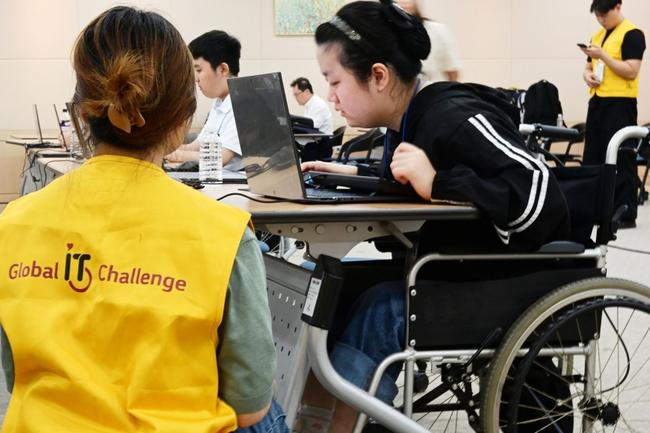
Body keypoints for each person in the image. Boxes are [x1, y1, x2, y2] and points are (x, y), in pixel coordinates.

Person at [0, 7, 287, 433]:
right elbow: (248, 407)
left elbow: (16, 376)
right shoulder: (225, 238)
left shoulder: (13, 225)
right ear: (182, 120)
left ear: (83, 112)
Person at [298, 1, 571, 433]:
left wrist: (439, 182)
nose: (330, 96)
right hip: (449, 268)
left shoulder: (453, 115)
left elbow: (540, 191)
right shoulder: (407, 121)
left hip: (501, 277)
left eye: (334, 81)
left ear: (379, 76)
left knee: (379, 310)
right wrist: (357, 175)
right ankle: (311, 422)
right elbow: (421, 177)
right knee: (330, 286)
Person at [580, 0, 645, 228]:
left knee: (622, 157)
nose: (601, 20)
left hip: (620, 104)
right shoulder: (597, 36)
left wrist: (603, 56)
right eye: (597, 16)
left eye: (604, 15)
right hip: (597, 101)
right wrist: (587, 75)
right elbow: (588, 66)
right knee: (593, 156)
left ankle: (625, 213)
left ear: (618, 6)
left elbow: (631, 71)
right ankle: (593, 210)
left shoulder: (633, 34)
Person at [166, 30, 244, 170]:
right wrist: (165, 150)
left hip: (232, 179)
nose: (195, 78)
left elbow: (220, 158)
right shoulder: (220, 102)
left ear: (222, 69)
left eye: (199, 70)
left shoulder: (242, 104)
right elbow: (197, 145)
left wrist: (177, 155)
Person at [395, 0, 462, 82]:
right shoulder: (386, 34)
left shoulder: (437, 30)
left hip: (433, 87)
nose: (403, 3)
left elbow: (452, 72)